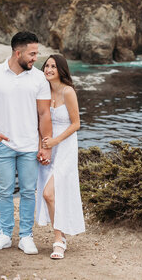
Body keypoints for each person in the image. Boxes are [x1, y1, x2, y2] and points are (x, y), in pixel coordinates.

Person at [0, 31, 52, 255]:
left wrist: (45, 146)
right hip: (3, 146)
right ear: (18, 53)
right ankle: (5, 235)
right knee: (4, 191)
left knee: (28, 192)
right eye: (32, 53)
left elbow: (44, 113)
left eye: (37, 53)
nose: (36, 58)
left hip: (29, 147)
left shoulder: (38, 78)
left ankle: (26, 236)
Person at [35, 54, 85, 259]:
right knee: (52, 194)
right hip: (48, 146)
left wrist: (56, 142)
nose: (48, 69)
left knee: (49, 193)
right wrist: (42, 147)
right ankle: (60, 236)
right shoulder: (43, 92)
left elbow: (76, 124)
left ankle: (59, 238)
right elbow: (38, 121)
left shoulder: (68, 92)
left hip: (65, 147)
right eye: (46, 66)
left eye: (53, 66)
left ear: (61, 70)